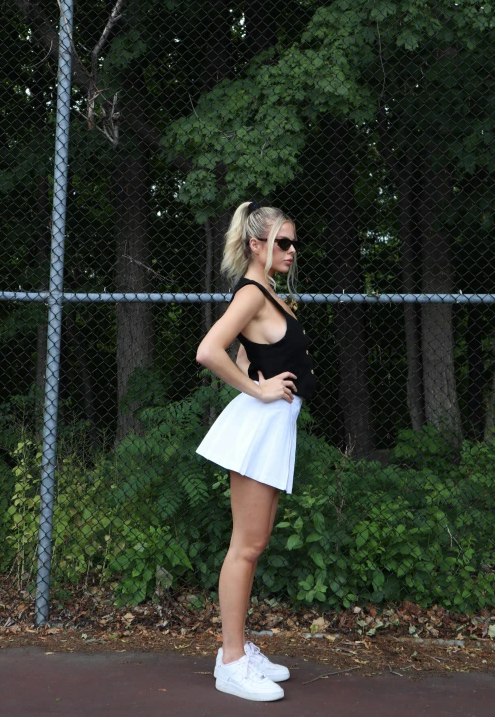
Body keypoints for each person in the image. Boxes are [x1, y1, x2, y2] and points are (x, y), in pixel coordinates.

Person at [195, 200, 317, 702]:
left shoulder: (267, 293)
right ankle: (231, 662)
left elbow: (246, 351)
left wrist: (252, 373)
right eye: (281, 243)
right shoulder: (251, 293)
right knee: (245, 546)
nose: (291, 251)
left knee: (256, 543)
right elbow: (208, 350)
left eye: (292, 242)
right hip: (260, 425)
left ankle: (239, 646)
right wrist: (258, 389)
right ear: (256, 245)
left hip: (273, 428)